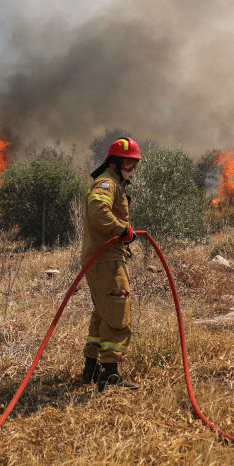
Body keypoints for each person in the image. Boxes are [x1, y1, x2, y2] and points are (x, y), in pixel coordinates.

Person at [80, 137, 142, 392]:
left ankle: (91, 368)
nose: (133, 170)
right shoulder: (107, 182)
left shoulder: (115, 182)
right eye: (129, 163)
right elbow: (97, 210)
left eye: (135, 164)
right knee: (118, 313)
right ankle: (110, 374)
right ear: (115, 162)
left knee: (103, 313)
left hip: (103, 258)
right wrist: (122, 230)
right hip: (105, 258)